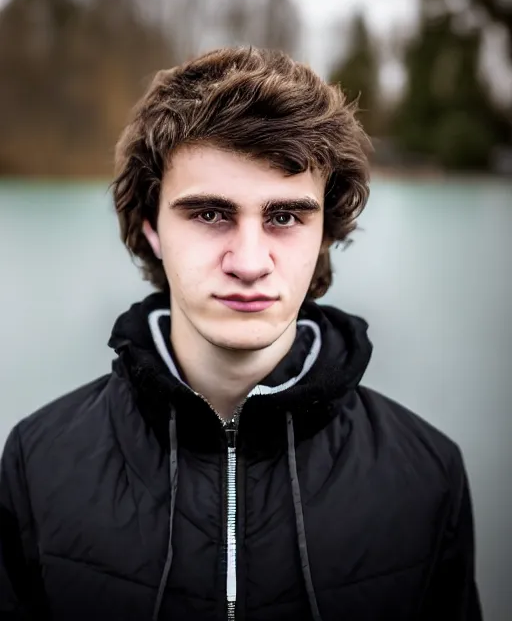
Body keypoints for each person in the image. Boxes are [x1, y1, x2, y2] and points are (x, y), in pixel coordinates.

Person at [0, 46, 481, 621]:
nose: (249, 262)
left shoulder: (426, 475)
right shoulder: (38, 461)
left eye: (284, 217)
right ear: (152, 226)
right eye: (209, 214)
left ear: (325, 231)